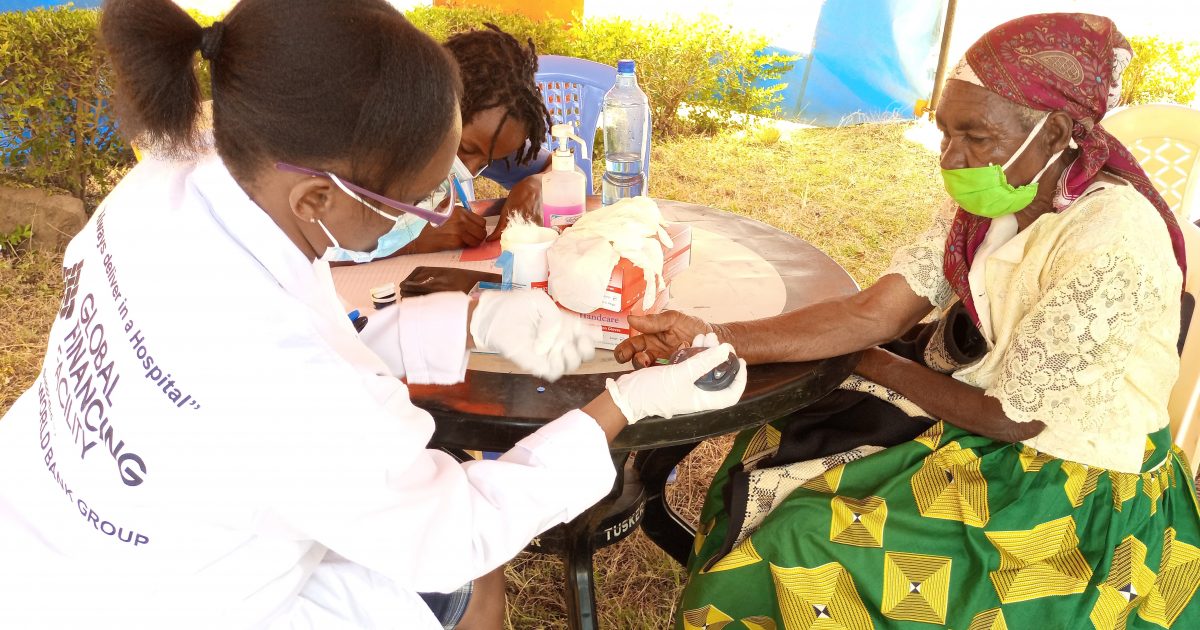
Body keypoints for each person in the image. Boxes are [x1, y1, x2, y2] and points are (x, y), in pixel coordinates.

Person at [0, 1, 746, 628]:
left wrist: (471, 322)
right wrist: (622, 404)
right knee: (469, 576)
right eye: (413, 199)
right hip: (162, 602)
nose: (430, 213)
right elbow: (457, 529)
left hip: (54, 533)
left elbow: (307, 334)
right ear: (316, 198)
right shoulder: (287, 375)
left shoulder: (172, 182)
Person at [615, 13, 1200, 629]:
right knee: (776, 445)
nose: (952, 157)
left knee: (804, 540)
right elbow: (873, 312)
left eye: (975, 136)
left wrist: (871, 362)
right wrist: (712, 336)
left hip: (1077, 495)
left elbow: (1014, 417)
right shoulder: (998, 201)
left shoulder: (1111, 238)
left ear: (1054, 132)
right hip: (995, 439)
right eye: (945, 132)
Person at [392, 23, 555, 255]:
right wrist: (412, 242)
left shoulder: (486, 141)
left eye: (486, 162)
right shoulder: (374, 147)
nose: (469, 170)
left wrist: (538, 184)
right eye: (467, 148)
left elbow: (563, 167)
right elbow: (336, 243)